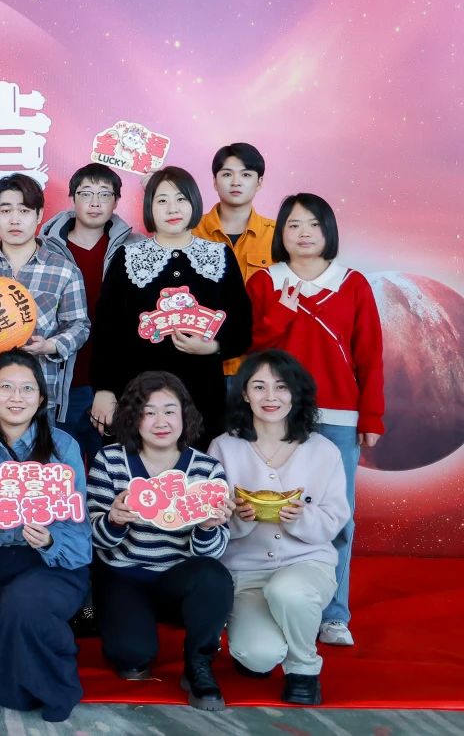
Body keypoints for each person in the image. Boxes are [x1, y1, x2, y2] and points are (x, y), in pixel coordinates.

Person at [245, 192, 383, 647]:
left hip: (338, 415)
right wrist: (281, 312)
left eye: (313, 225)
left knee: (336, 515)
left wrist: (371, 416)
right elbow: (250, 347)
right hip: (275, 416)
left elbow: (370, 354)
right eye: (293, 225)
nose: (303, 233)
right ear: (280, 233)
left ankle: (334, 613)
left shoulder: (353, 283)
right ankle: (270, 599)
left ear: (328, 231)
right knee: (270, 508)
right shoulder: (265, 282)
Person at [0, 350, 91, 721]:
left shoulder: (63, 447)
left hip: (54, 564)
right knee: (6, 607)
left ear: (41, 398)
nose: (16, 397)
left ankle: (59, 688)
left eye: (27, 389)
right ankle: (18, 683)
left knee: (24, 605)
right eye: (6, 387)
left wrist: (51, 541)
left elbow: (79, 528)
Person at [209, 350, 350, 706]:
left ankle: (304, 667)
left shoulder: (323, 450)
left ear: (296, 393)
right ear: (244, 394)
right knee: (258, 655)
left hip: (307, 564)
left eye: (281, 387)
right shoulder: (224, 447)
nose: (270, 397)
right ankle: (264, 642)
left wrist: (302, 518)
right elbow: (211, 518)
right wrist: (238, 517)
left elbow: (335, 519)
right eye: (259, 387)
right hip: (246, 572)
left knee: (289, 591)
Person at [87, 371, 235, 711]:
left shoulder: (206, 469)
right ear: (132, 417)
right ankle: (121, 624)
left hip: (178, 579)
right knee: (131, 659)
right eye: (148, 412)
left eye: (170, 411)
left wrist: (207, 527)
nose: (161, 422)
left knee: (214, 576)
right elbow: (94, 538)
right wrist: (114, 520)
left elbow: (213, 552)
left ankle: (199, 662)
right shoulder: (109, 461)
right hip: (124, 574)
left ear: (185, 415)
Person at [90, 166, 252, 450]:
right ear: (149, 207)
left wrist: (213, 347)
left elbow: (242, 324)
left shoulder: (219, 255)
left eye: (181, 199)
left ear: (194, 203)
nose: (172, 209)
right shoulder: (128, 257)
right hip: (137, 392)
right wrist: (104, 389)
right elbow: (106, 329)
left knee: (197, 470)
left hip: (202, 393)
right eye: (162, 200)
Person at [0, 173, 90, 446]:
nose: (14, 219)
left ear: (39, 216)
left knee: (31, 469)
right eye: (6, 211)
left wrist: (50, 346)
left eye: (24, 211)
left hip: (34, 395)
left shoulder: (63, 270)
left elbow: (79, 326)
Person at [39, 163, 140, 467]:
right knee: (60, 473)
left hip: (117, 382)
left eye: (104, 194)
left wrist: (112, 389)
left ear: (117, 200)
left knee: (114, 472)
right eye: (86, 193)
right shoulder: (44, 249)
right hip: (60, 383)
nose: (95, 202)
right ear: (72, 198)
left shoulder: (136, 249)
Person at [194, 143, 276, 381]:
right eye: (227, 174)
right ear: (214, 181)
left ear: (259, 182)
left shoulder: (277, 236)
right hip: (200, 364)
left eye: (246, 175)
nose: (236, 182)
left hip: (259, 368)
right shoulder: (191, 231)